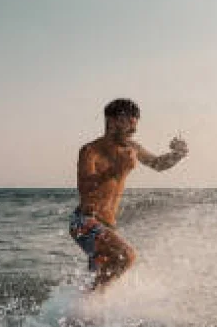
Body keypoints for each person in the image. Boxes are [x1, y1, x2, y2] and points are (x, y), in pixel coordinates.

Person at [70, 98, 188, 290]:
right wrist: (116, 169)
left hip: (107, 227)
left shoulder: (131, 148)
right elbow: (85, 186)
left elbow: (157, 164)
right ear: (112, 121)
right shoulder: (90, 151)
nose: (132, 133)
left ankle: (83, 315)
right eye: (129, 127)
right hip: (84, 222)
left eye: (134, 128)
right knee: (126, 256)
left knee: (102, 278)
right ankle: (90, 305)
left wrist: (178, 154)